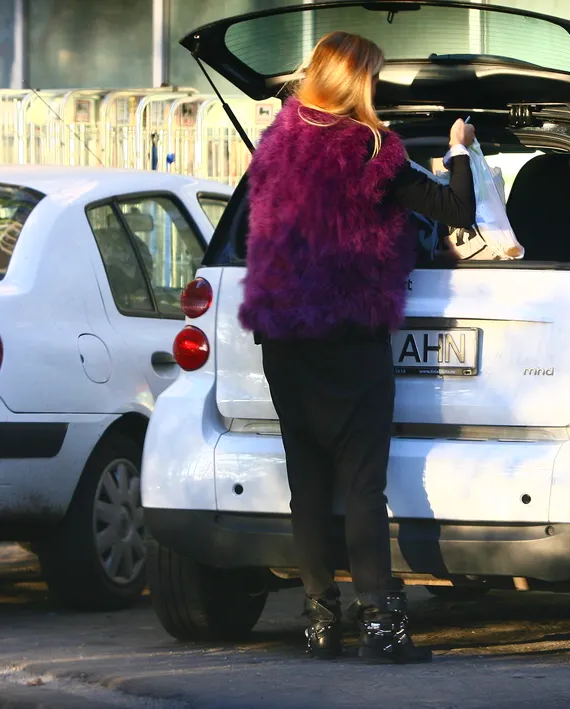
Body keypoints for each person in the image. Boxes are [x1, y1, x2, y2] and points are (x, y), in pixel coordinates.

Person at [240, 31, 477, 663]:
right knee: (363, 486)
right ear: (359, 83)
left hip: (285, 340)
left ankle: (321, 624)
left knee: (307, 485)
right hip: (351, 340)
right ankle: (381, 626)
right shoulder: (374, 150)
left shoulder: (275, 143)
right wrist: (458, 149)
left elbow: (257, 233)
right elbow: (457, 209)